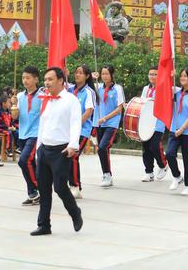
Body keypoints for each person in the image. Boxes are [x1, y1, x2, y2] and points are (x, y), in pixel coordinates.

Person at [31, 67, 83, 236]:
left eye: (50, 79)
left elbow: (76, 123)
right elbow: (42, 125)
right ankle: (44, 225)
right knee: (44, 189)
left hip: (62, 151)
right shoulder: (46, 100)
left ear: (61, 80)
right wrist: (38, 147)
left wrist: (73, 145)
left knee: (60, 187)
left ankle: (75, 213)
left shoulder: (71, 100)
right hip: (45, 149)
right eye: (45, 79)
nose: (47, 83)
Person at [165, 67, 188, 195]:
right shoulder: (176, 92)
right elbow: (165, 86)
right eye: (181, 76)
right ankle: (177, 176)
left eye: (185, 76)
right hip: (175, 129)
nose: (182, 78)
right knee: (169, 153)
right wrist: (170, 76)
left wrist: (182, 129)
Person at [68, 64, 98, 198]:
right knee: (68, 157)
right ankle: (75, 185)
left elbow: (89, 111)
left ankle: (75, 186)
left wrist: (76, 124)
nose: (77, 75)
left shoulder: (88, 92)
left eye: (80, 73)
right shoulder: (69, 89)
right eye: (76, 72)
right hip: (67, 130)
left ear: (87, 76)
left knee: (73, 155)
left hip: (82, 130)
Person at [13, 66, 41, 206]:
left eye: (28, 77)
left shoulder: (42, 95)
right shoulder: (18, 96)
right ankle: (32, 193)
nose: (25, 80)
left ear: (36, 79)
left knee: (24, 161)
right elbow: (15, 116)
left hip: (36, 133)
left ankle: (38, 189)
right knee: (30, 164)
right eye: (23, 77)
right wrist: (13, 107)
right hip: (23, 133)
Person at [95, 65, 125, 187]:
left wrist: (105, 118)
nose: (104, 76)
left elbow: (119, 108)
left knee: (103, 147)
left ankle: (107, 175)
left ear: (112, 75)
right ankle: (106, 174)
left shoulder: (117, 88)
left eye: (107, 74)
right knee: (101, 150)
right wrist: (91, 79)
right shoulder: (98, 87)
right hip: (99, 123)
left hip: (111, 123)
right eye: (102, 74)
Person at [140, 66, 168, 182]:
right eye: (151, 74)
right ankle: (149, 172)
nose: (152, 76)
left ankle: (163, 165)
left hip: (158, 121)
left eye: (155, 74)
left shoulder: (163, 88)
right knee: (146, 148)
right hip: (146, 123)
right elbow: (142, 103)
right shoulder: (146, 89)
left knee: (155, 146)